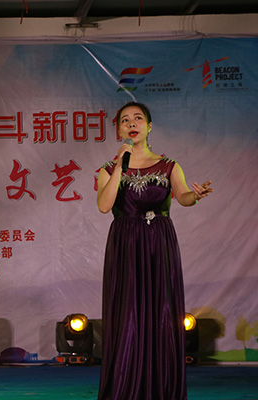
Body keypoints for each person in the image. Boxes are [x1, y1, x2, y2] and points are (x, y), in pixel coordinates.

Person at [96, 102, 213, 399]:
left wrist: (195, 195)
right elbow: (104, 206)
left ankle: (161, 387)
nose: (131, 124)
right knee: (127, 315)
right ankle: (124, 386)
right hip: (125, 247)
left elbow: (183, 197)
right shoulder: (107, 170)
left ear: (149, 127)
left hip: (159, 246)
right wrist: (120, 165)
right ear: (119, 129)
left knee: (161, 314)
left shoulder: (169, 165)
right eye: (125, 120)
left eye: (138, 119)